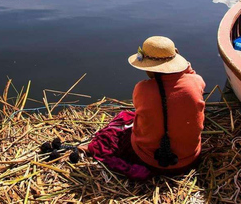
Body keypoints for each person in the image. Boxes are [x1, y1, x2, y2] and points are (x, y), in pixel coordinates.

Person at [78, 36, 206, 179]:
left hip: (149, 161)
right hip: (189, 160)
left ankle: (90, 148)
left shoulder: (143, 88)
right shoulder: (196, 81)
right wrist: (183, 64)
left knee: (122, 123)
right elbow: (190, 76)